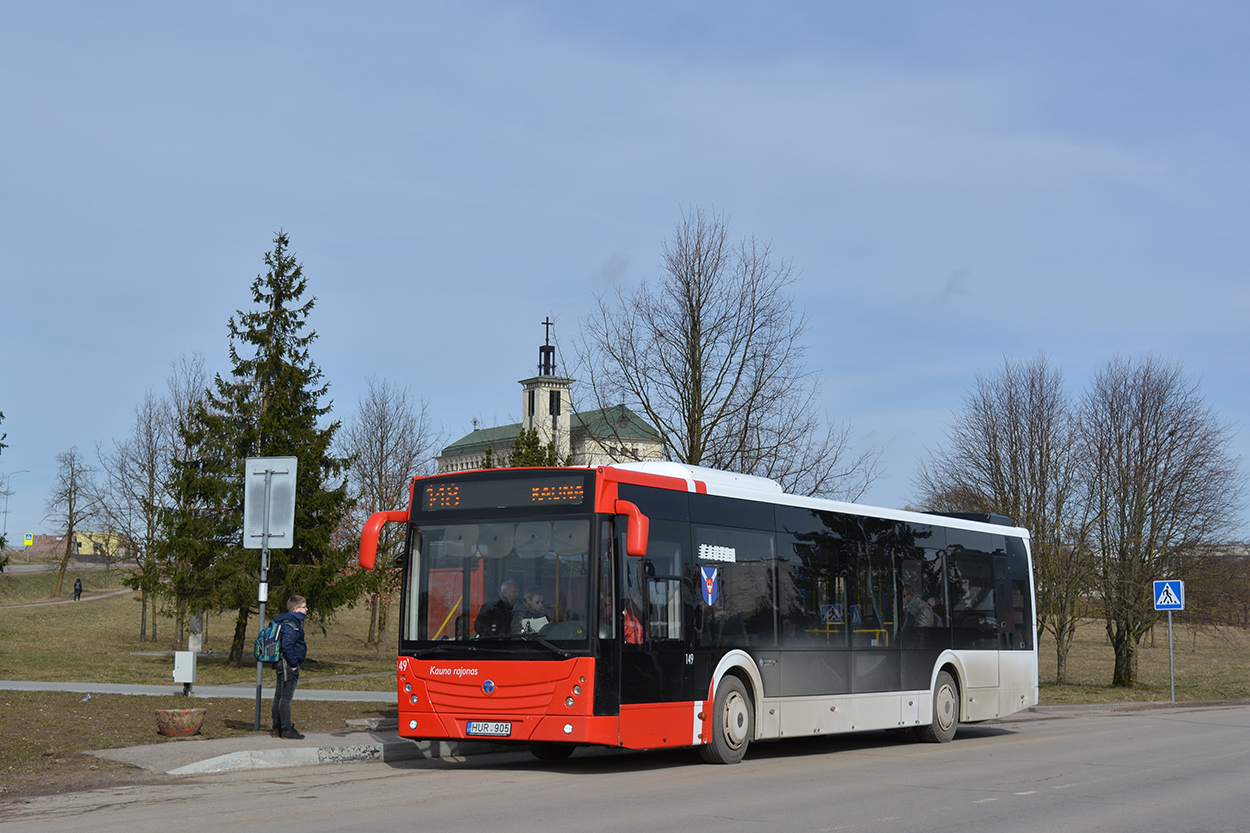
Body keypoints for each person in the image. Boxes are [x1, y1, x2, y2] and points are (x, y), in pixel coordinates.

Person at [271, 595, 308, 739]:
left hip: (281, 662)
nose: (306, 610)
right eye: (304, 607)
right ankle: (285, 729)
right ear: (296, 608)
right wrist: (293, 664)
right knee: (285, 698)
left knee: (279, 696)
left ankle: (277, 728)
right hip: (287, 664)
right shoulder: (292, 623)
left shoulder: (282, 621)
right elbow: (287, 645)